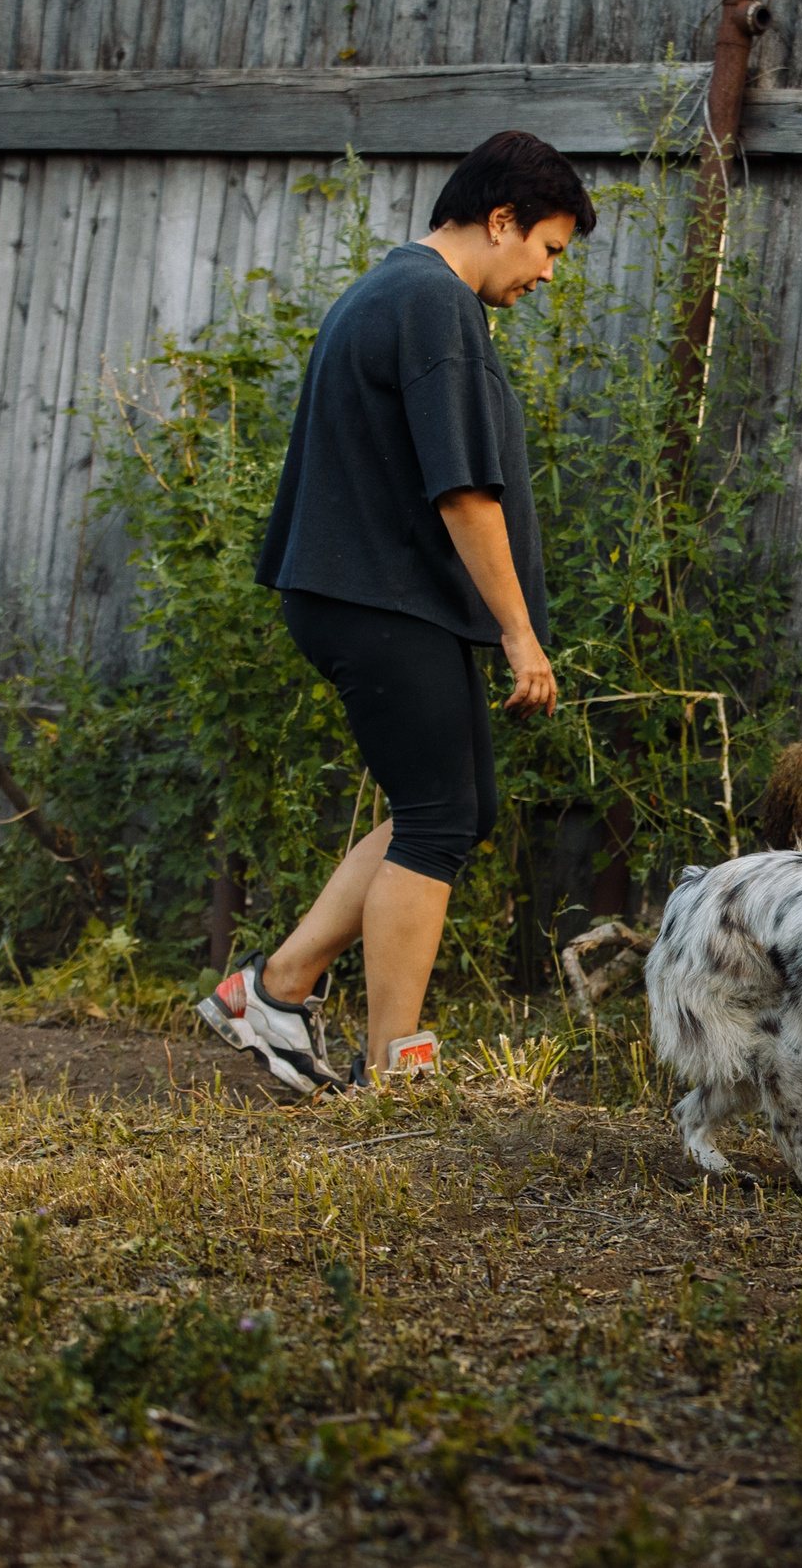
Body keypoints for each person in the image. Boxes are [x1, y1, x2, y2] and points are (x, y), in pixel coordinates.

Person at [195, 131, 596, 1093]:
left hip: (376, 595)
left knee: (457, 808)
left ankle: (275, 988)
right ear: (500, 221)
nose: (547, 274)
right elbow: (464, 492)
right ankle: (392, 1064)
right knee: (437, 814)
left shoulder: (406, 295)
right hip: (375, 597)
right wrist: (518, 632)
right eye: (547, 248)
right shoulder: (431, 302)